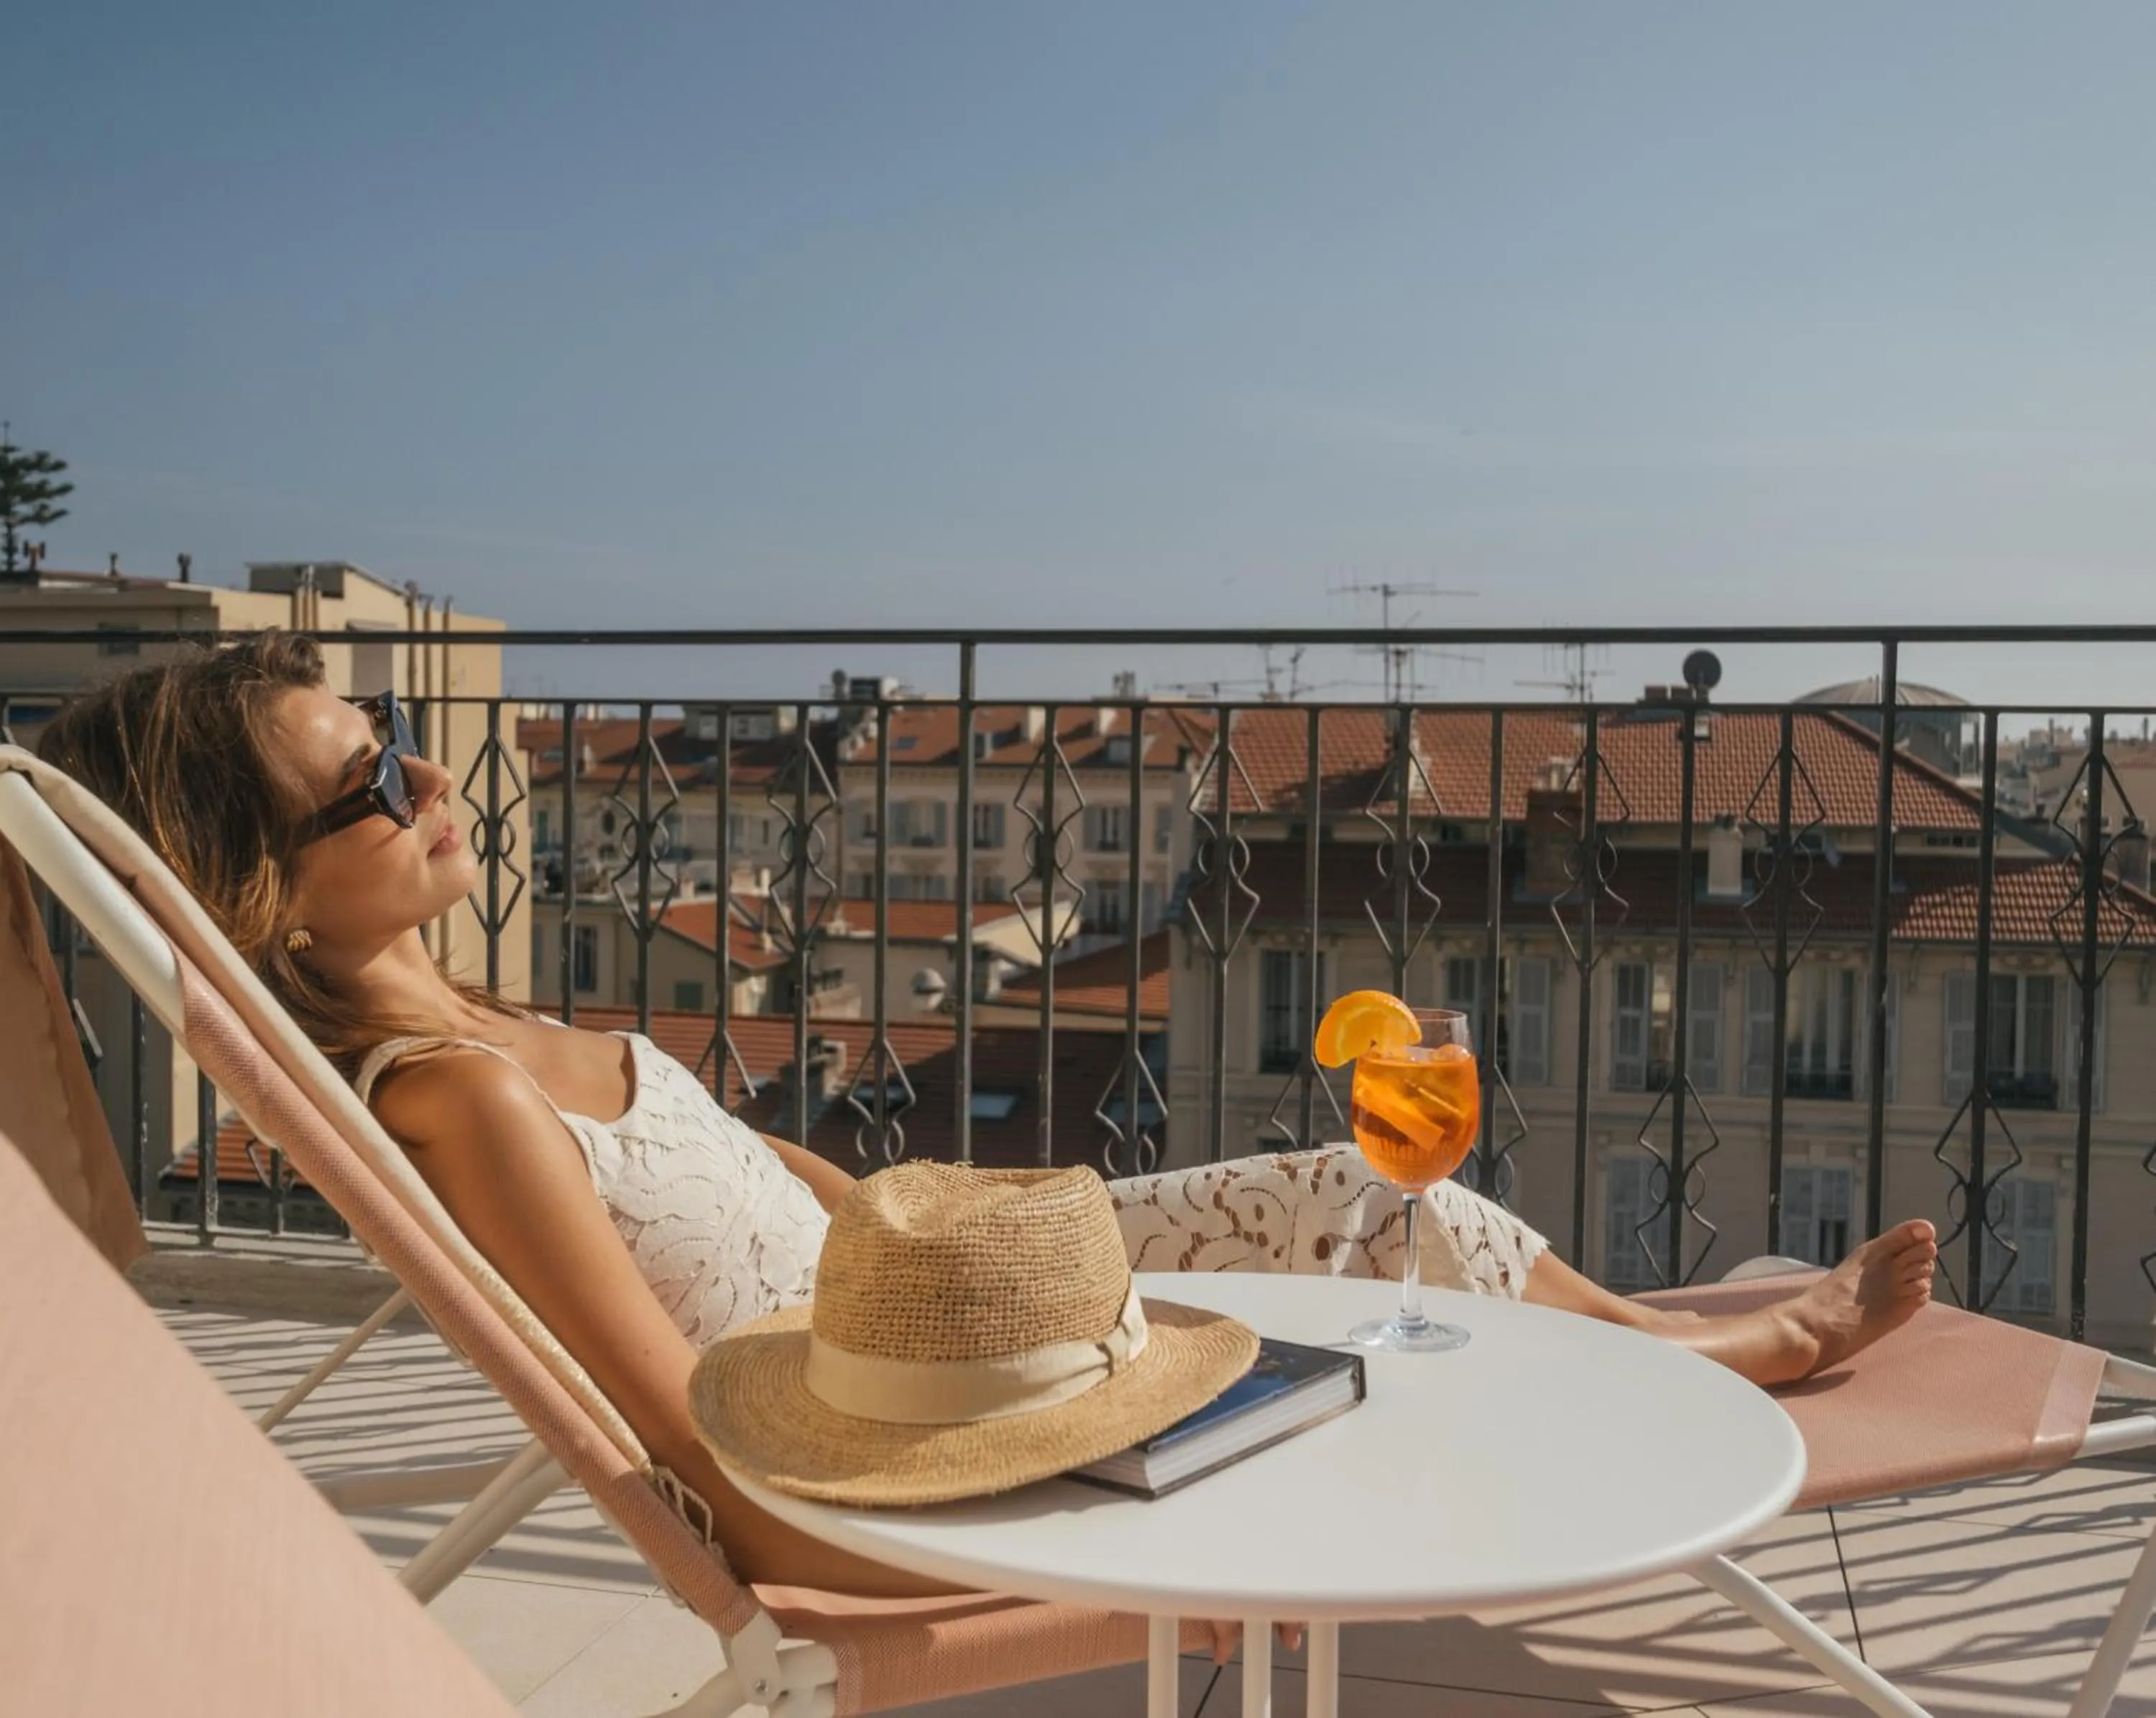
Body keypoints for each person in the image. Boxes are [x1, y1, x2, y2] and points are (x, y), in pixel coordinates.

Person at [38, 635, 1935, 1630]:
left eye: (393, 724)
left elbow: (767, 1174)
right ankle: (1737, 1345)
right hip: (938, 1402)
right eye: (373, 779)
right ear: (275, 906)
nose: (432, 767)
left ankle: (1698, 1337)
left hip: (954, 1285)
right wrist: (1025, 1562)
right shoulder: (453, 1095)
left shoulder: (491, 1026)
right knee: (1363, 1204)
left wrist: (940, 1208)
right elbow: (694, 1441)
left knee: (1356, 1182)